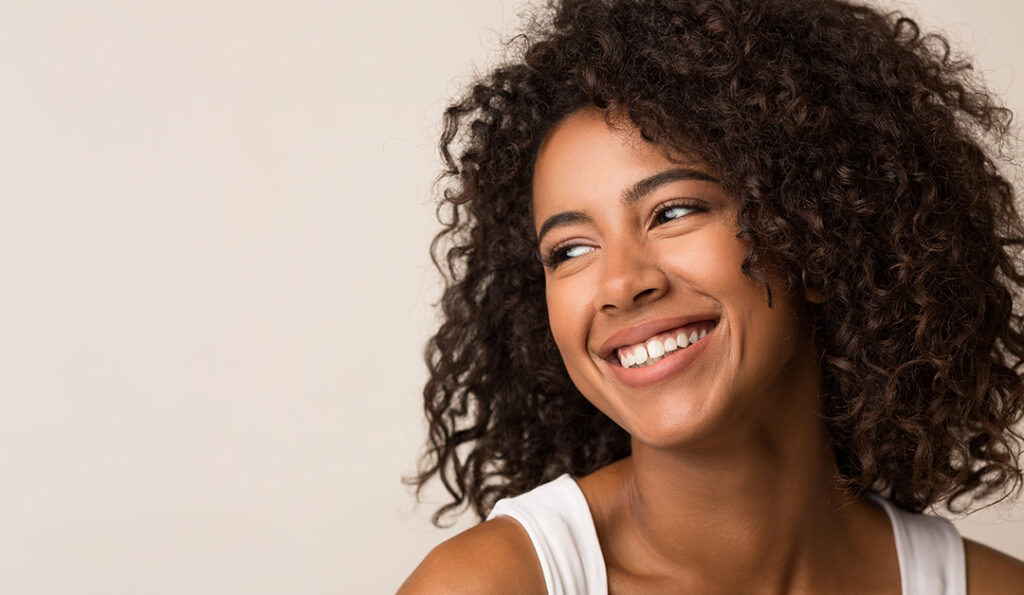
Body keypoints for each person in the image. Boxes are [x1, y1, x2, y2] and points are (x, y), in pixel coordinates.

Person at [400, 0, 1024, 592]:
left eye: (672, 212)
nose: (619, 284)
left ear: (815, 234)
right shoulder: (490, 587)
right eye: (569, 250)